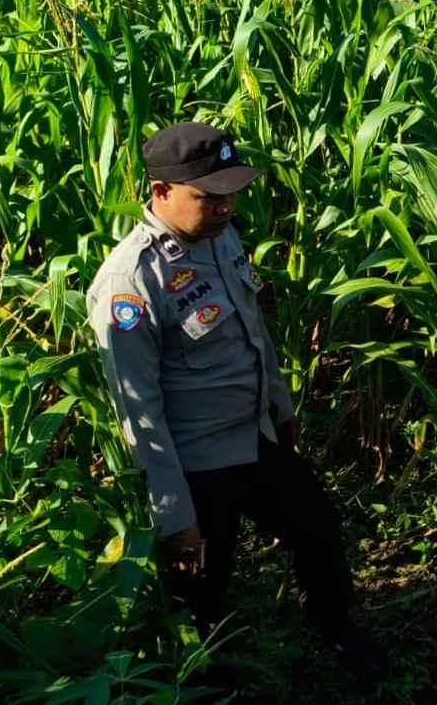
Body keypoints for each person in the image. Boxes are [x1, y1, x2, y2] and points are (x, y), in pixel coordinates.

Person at [85, 121, 376, 673]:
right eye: (209, 197)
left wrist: (281, 407)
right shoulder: (131, 282)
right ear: (161, 193)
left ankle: (340, 632)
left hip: (255, 437)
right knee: (202, 592)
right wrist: (176, 517)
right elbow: (137, 411)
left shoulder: (222, 238)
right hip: (198, 465)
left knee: (317, 528)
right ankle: (200, 680)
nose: (225, 208)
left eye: (231, 194)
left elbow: (253, 331)